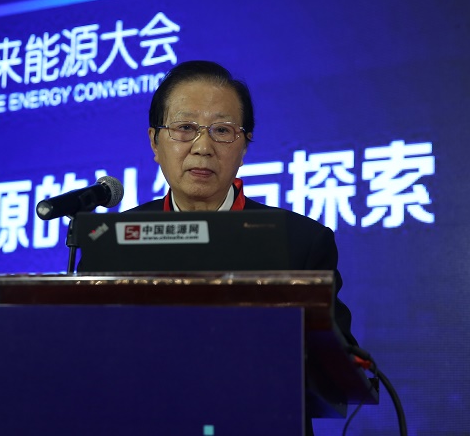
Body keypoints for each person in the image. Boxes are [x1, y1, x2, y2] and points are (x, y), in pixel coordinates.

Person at [126, 60, 356, 345]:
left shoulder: (300, 244)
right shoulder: (116, 241)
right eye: (185, 127)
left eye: (222, 131)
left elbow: (338, 362)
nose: (202, 148)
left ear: (244, 147)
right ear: (154, 142)